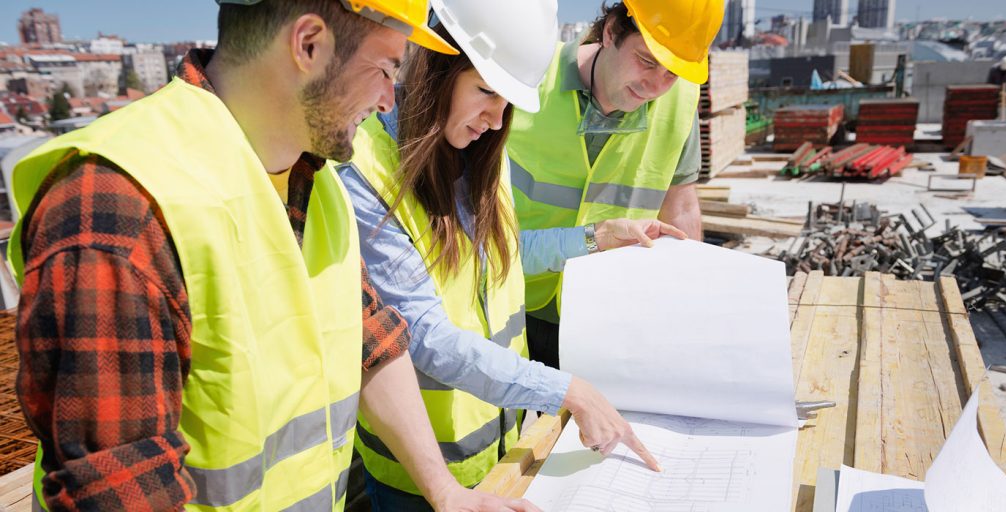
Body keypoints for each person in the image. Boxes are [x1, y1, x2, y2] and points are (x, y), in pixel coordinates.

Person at [8, 0, 538, 510]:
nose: (388, 101)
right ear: (308, 44)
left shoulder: (315, 182)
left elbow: (372, 342)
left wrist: (446, 494)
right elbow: (119, 488)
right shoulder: (117, 207)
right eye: (383, 69)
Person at [339, 1, 685, 509]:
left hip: (502, 451)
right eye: (484, 92)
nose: (495, 119)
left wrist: (596, 237)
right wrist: (569, 392)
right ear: (439, 68)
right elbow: (422, 335)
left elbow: (501, 258)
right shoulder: (365, 171)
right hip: (420, 475)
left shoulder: (477, 150)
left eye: (507, 103)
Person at [505, 0, 725, 369]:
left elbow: (682, 206)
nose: (655, 85)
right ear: (611, 32)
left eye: (672, 72)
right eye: (647, 61)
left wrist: (689, 302)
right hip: (512, 295)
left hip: (604, 312)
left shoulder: (680, 102)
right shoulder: (532, 78)